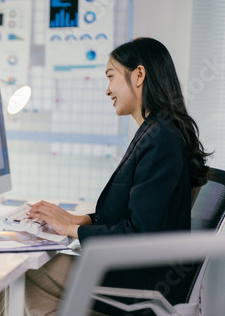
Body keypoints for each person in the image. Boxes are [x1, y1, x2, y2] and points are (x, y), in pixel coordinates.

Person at [24, 37, 211, 316]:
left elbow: (141, 232)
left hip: (140, 282)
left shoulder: (161, 139)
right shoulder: (157, 130)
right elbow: (135, 213)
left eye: (111, 77)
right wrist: (80, 220)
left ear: (138, 75)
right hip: (138, 271)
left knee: (28, 273)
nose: (107, 90)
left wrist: (72, 230)